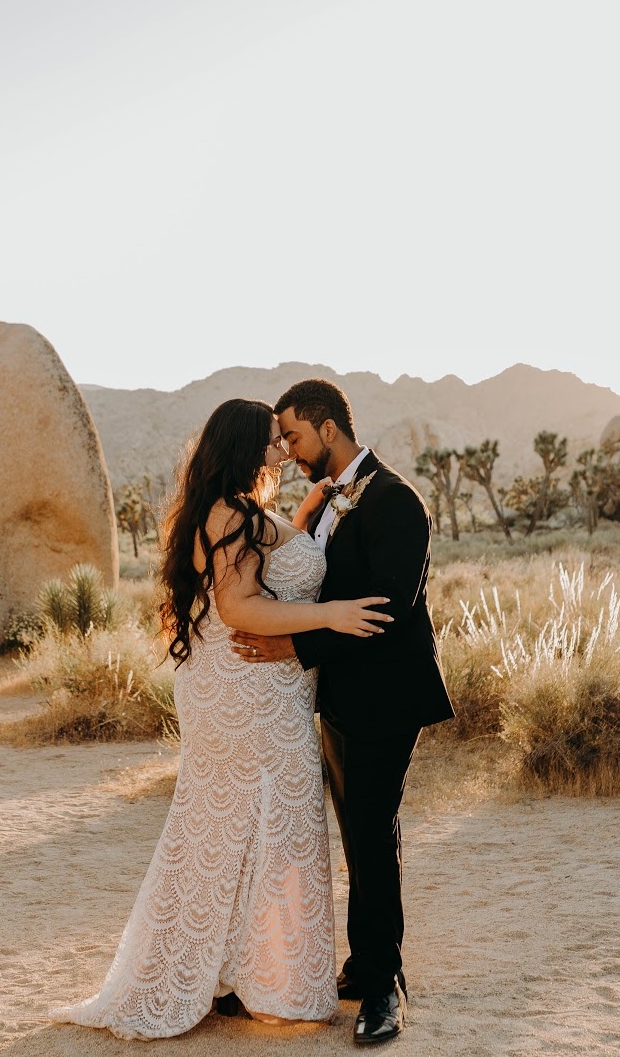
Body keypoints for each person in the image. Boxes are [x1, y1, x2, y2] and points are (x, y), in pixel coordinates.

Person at [48, 397, 389, 1041]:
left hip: (251, 688)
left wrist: (302, 520)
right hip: (247, 692)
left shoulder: (235, 511)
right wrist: (330, 614)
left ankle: (247, 971)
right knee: (269, 821)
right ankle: (266, 978)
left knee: (243, 824)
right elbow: (239, 607)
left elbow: (259, 573)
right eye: (271, 440)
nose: (280, 451)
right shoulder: (230, 513)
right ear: (242, 446)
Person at [231, 377, 455, 1045]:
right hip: (339, 698)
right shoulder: (326, 502)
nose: (289, 450)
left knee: (371, 825)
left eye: (294, 435)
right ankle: (365, 963)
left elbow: (387, 610)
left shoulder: (397, 501)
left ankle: (386, 984)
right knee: (357, 832)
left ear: (328, 427)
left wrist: (285, 644)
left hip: (389, 695)